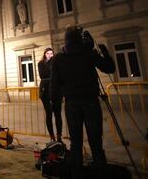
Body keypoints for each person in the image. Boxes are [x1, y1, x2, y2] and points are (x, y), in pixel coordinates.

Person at [50, 26, 115, 179]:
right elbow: (109, 68)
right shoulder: (89, 53)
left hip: (72, 104)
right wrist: (104, 52)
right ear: (80, 39)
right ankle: (101, 172)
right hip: (90, 101)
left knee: (76, 142)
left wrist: (55, 105)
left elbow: (54, 85)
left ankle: (76, 173)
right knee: (96, 142)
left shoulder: (58, 58)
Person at [38, 47, 62, 143]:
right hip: (45, 91)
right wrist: (51, 66)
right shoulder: (41, 63)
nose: (50, 55)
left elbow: (58, 74)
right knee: (49, 113)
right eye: (48, 53)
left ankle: (59, 136)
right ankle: (52, 136)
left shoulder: (56, 63)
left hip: (56, 90)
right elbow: (43, 75)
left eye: (51, 53)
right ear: (44, 54)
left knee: (58, 114)